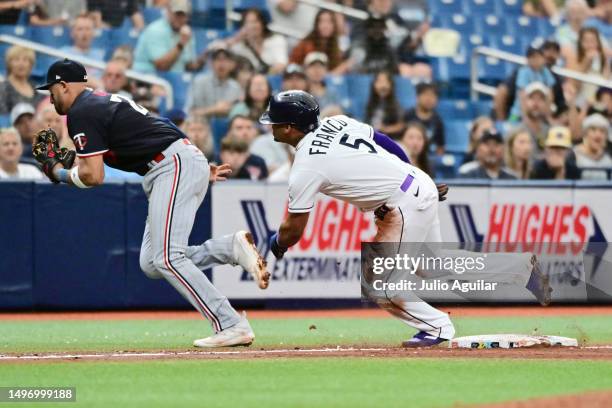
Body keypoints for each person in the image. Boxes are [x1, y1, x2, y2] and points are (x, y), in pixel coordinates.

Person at [260, 90, 550, 348]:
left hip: (401, 202)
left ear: (289, 127)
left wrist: (277, 243)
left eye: (273, 121)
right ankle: (521, 268)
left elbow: (294, 228)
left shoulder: (306, 165)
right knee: (436, 267)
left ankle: (437, 327)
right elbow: (386, 142)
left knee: (380, 283)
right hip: (414, 183)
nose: (270, 125)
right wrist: (410, 176)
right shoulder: (338, 121)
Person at [34, 58, 270, 348]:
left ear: (63, 85)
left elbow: (93, 176)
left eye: (52, 90)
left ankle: (230, 323)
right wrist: (194, 160)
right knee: (152, 262)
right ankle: (228, 248)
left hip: (170, 165)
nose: (50, 96)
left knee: (168, 258)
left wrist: (56, 173)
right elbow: (160, 124)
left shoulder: (81, 111)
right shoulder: (101, 100)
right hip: (175, 161)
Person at [133, 0, 204, 73]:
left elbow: (187, 66)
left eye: (183, 14)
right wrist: (181, 44)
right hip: (147, 77)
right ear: (168, 12)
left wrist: (203, 58)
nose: (180, 18)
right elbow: (162, 67)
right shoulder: (155, 30)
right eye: (177, 14)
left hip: (174, 79)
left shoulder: (186, 32)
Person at [185, 48, 242, 119]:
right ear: (211, 63)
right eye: (218, 59)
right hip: (202, 126)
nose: (222, 63)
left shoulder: (235, 87)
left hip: (227, 127)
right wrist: (214, 109)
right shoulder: (199, 82)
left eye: (226, 60)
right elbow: (189, 113)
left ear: (232, 64)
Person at [227, 8, 288, 74]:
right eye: (248, 23)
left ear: (263, 23)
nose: (252, 26)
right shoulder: (240, 45)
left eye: (255, 22)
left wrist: (263, 76)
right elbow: (217, 50)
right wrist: (236, 38)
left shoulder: (276, 40)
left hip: (271, 79)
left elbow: (281, 65)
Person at [289, 9, 348, 74]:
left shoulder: (336, 48)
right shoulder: (306, 44)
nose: (325, 26)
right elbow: (292, 65)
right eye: (321, 21)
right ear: (316, 24)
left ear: (334, 25)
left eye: (329, 22)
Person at [508, 43, 556, 122]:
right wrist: (525, 116)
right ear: (528, 59)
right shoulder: (523, 72)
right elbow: (522, 95)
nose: (536, 60)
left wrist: (547, 114)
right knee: (511, 124)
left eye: (539, 56)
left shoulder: (546, 72)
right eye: (532, 57)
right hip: (518, 112)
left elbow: (550, 94)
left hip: (539, 112)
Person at [566, 27, 610, 108]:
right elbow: (574, 86)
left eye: (593, 41)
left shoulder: (603, 59)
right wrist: (587, 62)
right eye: (586, 41)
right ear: (580, 43)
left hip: (599, 103)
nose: (590, 45)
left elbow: (606, 83)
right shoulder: (573, 59)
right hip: (580, 103)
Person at [0, 46, 45, 115]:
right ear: (9, 64)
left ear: (31, 64)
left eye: (25, 60)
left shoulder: (36, 88)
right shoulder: (3, 87)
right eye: (16, 60)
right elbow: (3, 116)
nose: (21, 64)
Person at [403, 82, 445, 154]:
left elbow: (440, 147)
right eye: (426, 95)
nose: (429, 99)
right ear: (417, 97)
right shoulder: (407, 115)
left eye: (433, 96)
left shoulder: (438, 121)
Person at [365, 71, 404, 139]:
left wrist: (386, 129)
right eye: (379, 81)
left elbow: (401, 126)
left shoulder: (395, 105)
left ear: (391, 85)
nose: (383, 85)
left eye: (386, 81)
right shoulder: (370, 104)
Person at [573, 114, 612, 180]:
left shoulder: (609, 158)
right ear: (585, 133)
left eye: (602, 131)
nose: (598, 135)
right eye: (593, 130)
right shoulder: (573, 156)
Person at [519, 82, 553, 156]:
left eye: (541, 99)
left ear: (546, 104)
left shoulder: (551, 132)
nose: (536, 103)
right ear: (524, 102)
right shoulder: (516, 132)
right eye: (532, 98)